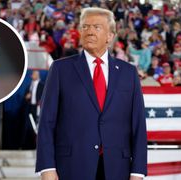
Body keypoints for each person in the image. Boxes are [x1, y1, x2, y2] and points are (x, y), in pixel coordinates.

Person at [36, 7, 147, 180]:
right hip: (72, 166)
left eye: (96, 27)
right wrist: (47, 167)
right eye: (85, 27)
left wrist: (138, 171)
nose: (89, 31)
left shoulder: (129, 73)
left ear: (110, 36)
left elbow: (138, 124)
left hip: (118, 168)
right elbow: (46, 122)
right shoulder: (60, 69)